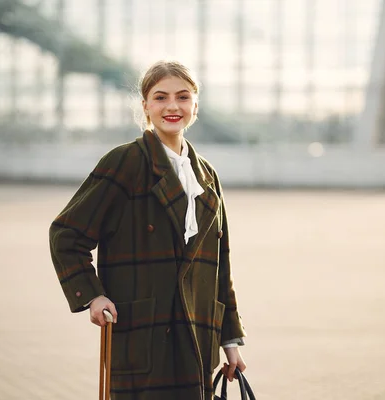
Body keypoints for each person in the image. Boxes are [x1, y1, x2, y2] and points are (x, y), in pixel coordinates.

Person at [49, 60, 247, 400]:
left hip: (198, 339)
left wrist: (230, 341)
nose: (172, 106)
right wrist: (93, 295)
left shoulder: (206, 176)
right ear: (145, 106)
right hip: (142, 336)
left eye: (183, 97)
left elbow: (220, 267)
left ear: (195, 106)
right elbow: (66, 234)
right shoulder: (125, 162)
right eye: (160, 97)